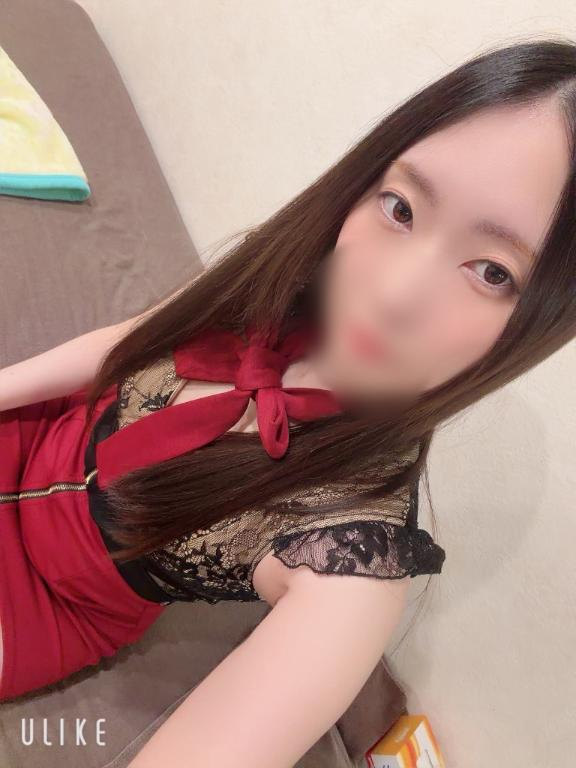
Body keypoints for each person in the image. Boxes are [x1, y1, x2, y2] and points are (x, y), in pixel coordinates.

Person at [1, 36, 575, 768]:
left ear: (538, 324)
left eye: (492, 271)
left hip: (49, 608)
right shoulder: (283, 283)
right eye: (400, 207)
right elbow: (128, 342)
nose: (392, 292)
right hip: (32, 433)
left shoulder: (350, 564)